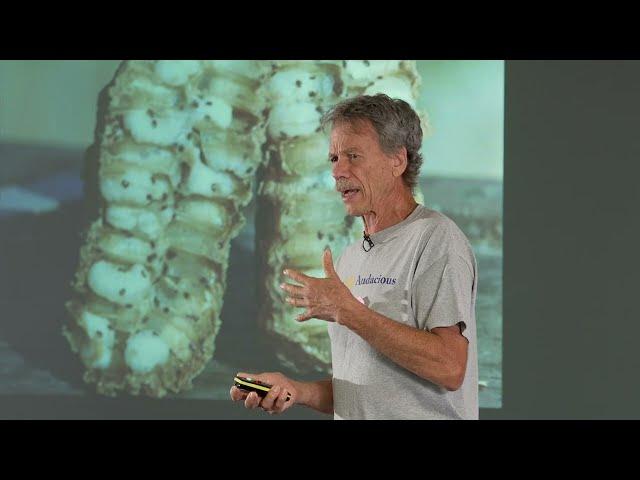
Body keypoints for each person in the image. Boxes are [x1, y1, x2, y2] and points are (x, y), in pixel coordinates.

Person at [230, 94, 478, 419]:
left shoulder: (435, 239)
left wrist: (346, 310)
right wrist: (294, 389)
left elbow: (449, 366)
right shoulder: (350, 258)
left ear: (397, 161)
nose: (338, 171)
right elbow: (366, 389)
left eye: (353, 156)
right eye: (334, 158)